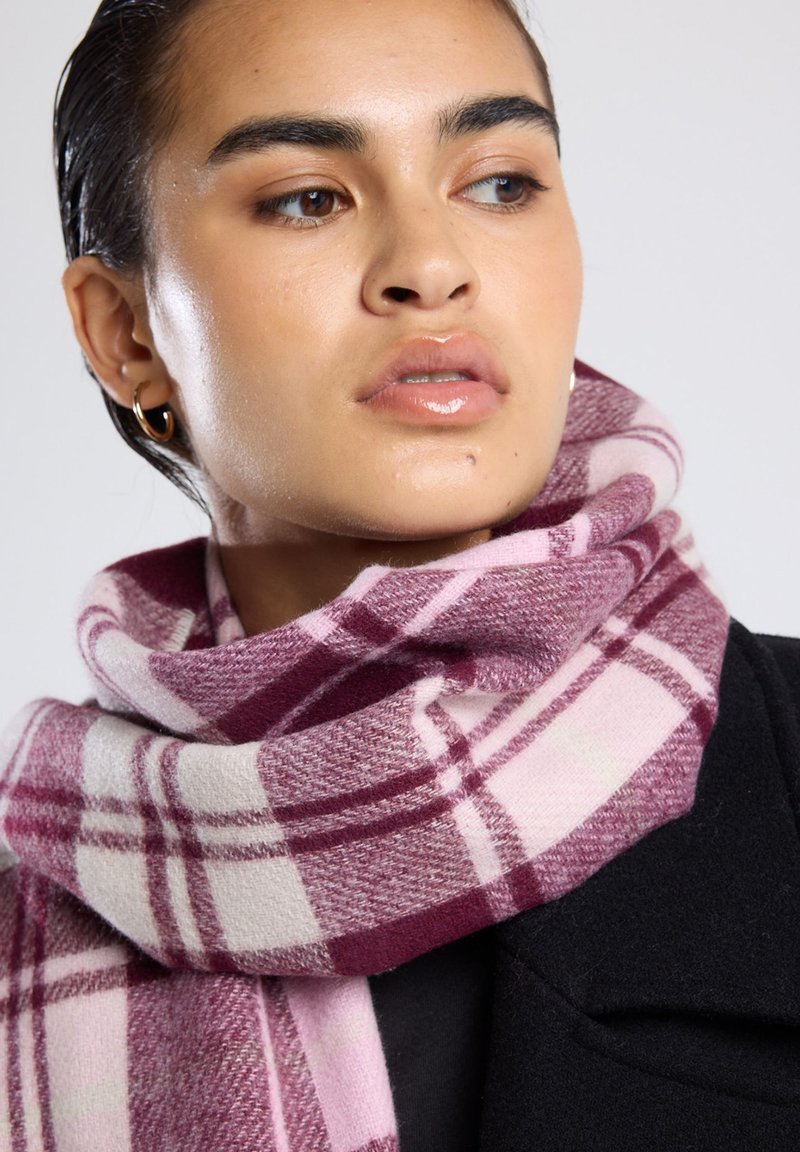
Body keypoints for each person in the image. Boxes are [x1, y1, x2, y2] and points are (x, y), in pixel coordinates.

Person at [0, 0, 798, 1149]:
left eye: (499, 184)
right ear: (125, 333)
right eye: (306, 198)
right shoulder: (32, 919)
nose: (430, 266)